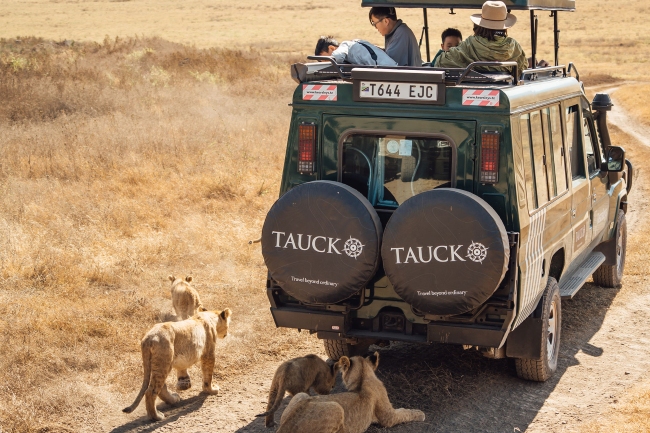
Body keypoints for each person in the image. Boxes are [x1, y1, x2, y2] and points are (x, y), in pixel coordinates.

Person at [433, 0, 527, 74]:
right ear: (504, 26)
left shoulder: (470, 45)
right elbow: (522, 67)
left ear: (481, 25)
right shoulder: (513, 46)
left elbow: (441, 62)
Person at [315, 36, 398, 66]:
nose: (327, 62)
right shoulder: (354, 43)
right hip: (388, 67)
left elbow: (337, 56)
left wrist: (330, 64)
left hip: (386, 68)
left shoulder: (345, 45)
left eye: (326, 59)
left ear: (332, 48)